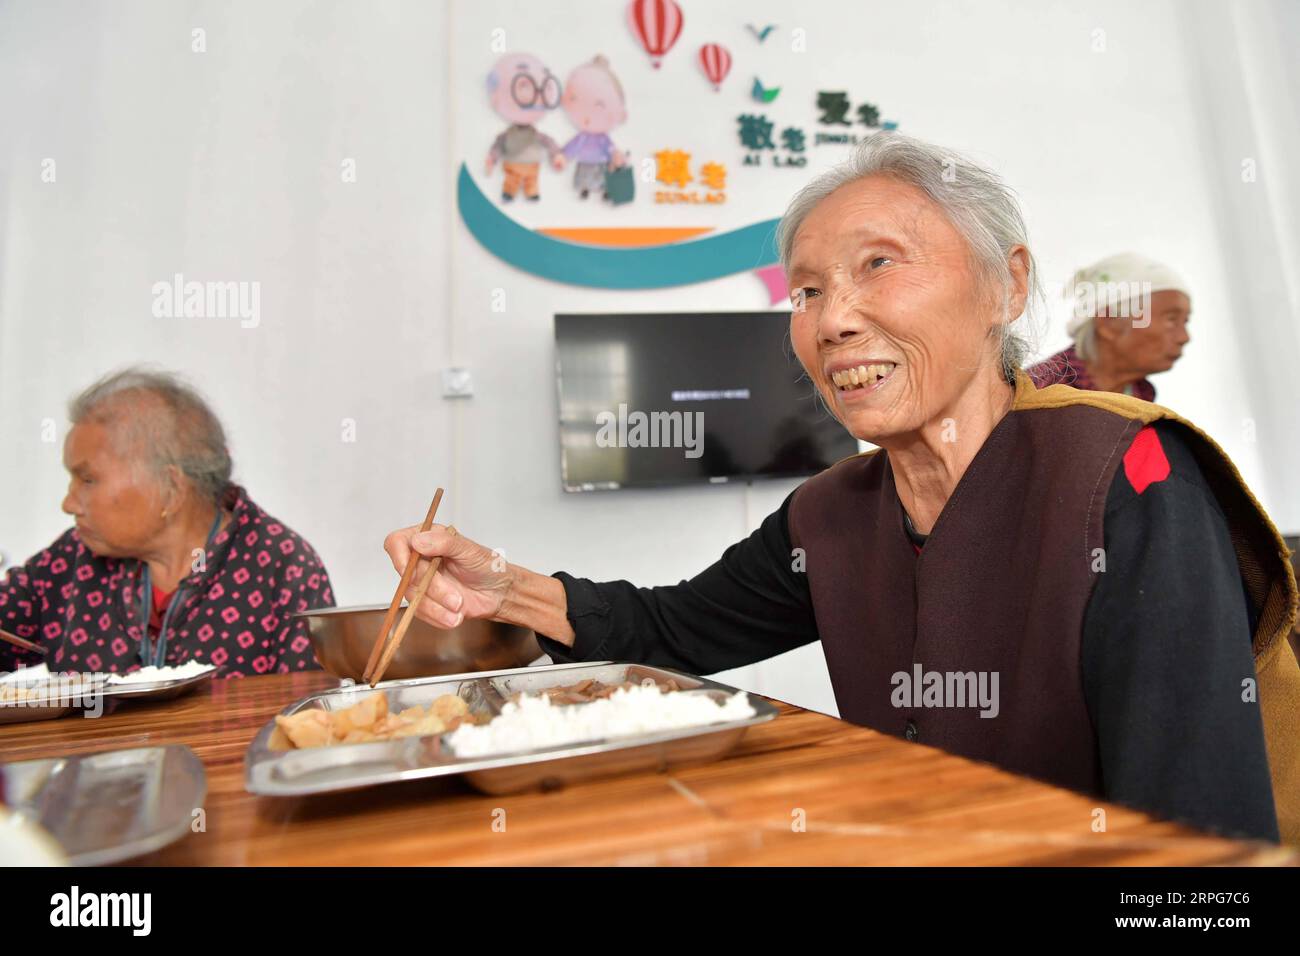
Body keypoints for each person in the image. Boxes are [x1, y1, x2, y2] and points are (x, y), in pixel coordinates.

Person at [385, 134, 1299, 845]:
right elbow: (671, 629)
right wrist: (499, 584)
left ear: (1005, 286)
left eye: (879, 265)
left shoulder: (1127, 477)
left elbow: (1199, 846)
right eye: (807, 291)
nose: (834, 319)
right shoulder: (829, 514)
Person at [0, 368, 335, 677]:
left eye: (87, 480)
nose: (68, 503)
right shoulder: (70, 559)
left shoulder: (283, 567)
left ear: (172, 489)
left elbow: (307, 718)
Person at [1029, 253, 1192, 399]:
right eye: (1171, 319)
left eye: (1185, 321)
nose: (1184, 337)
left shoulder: (1141, 395)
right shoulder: (1038, 392)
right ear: (1108, 322)